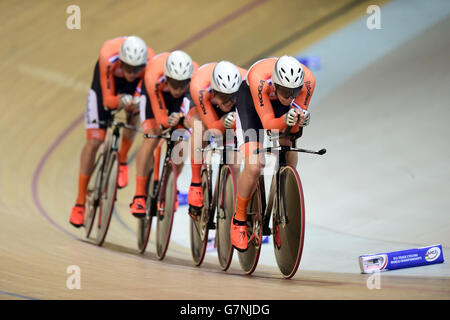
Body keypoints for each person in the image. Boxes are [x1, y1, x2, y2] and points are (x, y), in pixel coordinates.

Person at [231, 55, 315, 251]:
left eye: (294, 91)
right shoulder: (259, 78)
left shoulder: (309, 82)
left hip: (277, 108)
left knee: (289, 153)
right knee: (254, 167)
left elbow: (292, 131)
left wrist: (298, 121)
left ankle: (280, 204)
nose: (290, 96)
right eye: (285, 91)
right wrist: (287, 118)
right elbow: (268, 124)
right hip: (251, 105)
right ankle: (239, 219)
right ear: (275, 84)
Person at [70, 36, 155, 228]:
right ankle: (80, 202)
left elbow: (142, 93)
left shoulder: (150, 63)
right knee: (94, 142)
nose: (132, 73)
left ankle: (122, 159)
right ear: (121, 61)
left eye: (136, 69)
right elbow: (108, 100)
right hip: (107, 85)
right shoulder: (107, 56)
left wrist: (133, 101)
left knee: (133, 113)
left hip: (132, 89)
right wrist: (119, 100)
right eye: (128, 68)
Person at [130, 50, 199, 217]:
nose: (177, 88)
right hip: (155, 94)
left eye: (182, 84)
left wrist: (182, 118)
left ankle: (170, 185)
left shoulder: (196, 79)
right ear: (167, 78)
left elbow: (190, 115)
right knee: (152, 135)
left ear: (188, 81)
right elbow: (161, 118)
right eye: (174, 83)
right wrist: (168, 121)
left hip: (181, 101)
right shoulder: (154, 75)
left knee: (181, 139)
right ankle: (139, 195)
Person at [186, 61, 247, 220]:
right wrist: (222, 123)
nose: (228, 102)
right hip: (203, 106)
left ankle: (235, 211)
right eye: (223, 97)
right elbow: (213, 127)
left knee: (234, 163)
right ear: (213, 92)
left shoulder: (246, 83)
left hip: (233, 104)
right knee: (200, 129)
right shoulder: (200, 88)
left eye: (231, 97)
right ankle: (196, 184)